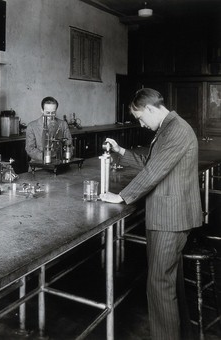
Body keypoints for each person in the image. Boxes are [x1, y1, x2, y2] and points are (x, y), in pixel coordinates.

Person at [100, 88, 201, 340]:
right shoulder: (169, 128)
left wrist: (122, 196)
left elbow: (152, 173)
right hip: (169, 216)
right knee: (167, 283)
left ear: (150, 109)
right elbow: (151, 164)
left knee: (159, 286)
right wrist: (121, 151)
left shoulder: (176, 130)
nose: (142, 125)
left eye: (141, 118)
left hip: (170, 219)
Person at [25, 96, 72, 162]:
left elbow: (69, 145)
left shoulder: (63, 124)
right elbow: (30, 149)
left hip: (59, 164)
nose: (50, 116)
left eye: (53, 113)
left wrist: (63, 157)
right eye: (48, 113)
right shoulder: (32, 126)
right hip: (39, 166)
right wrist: (47, 158)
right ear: (42, 110)